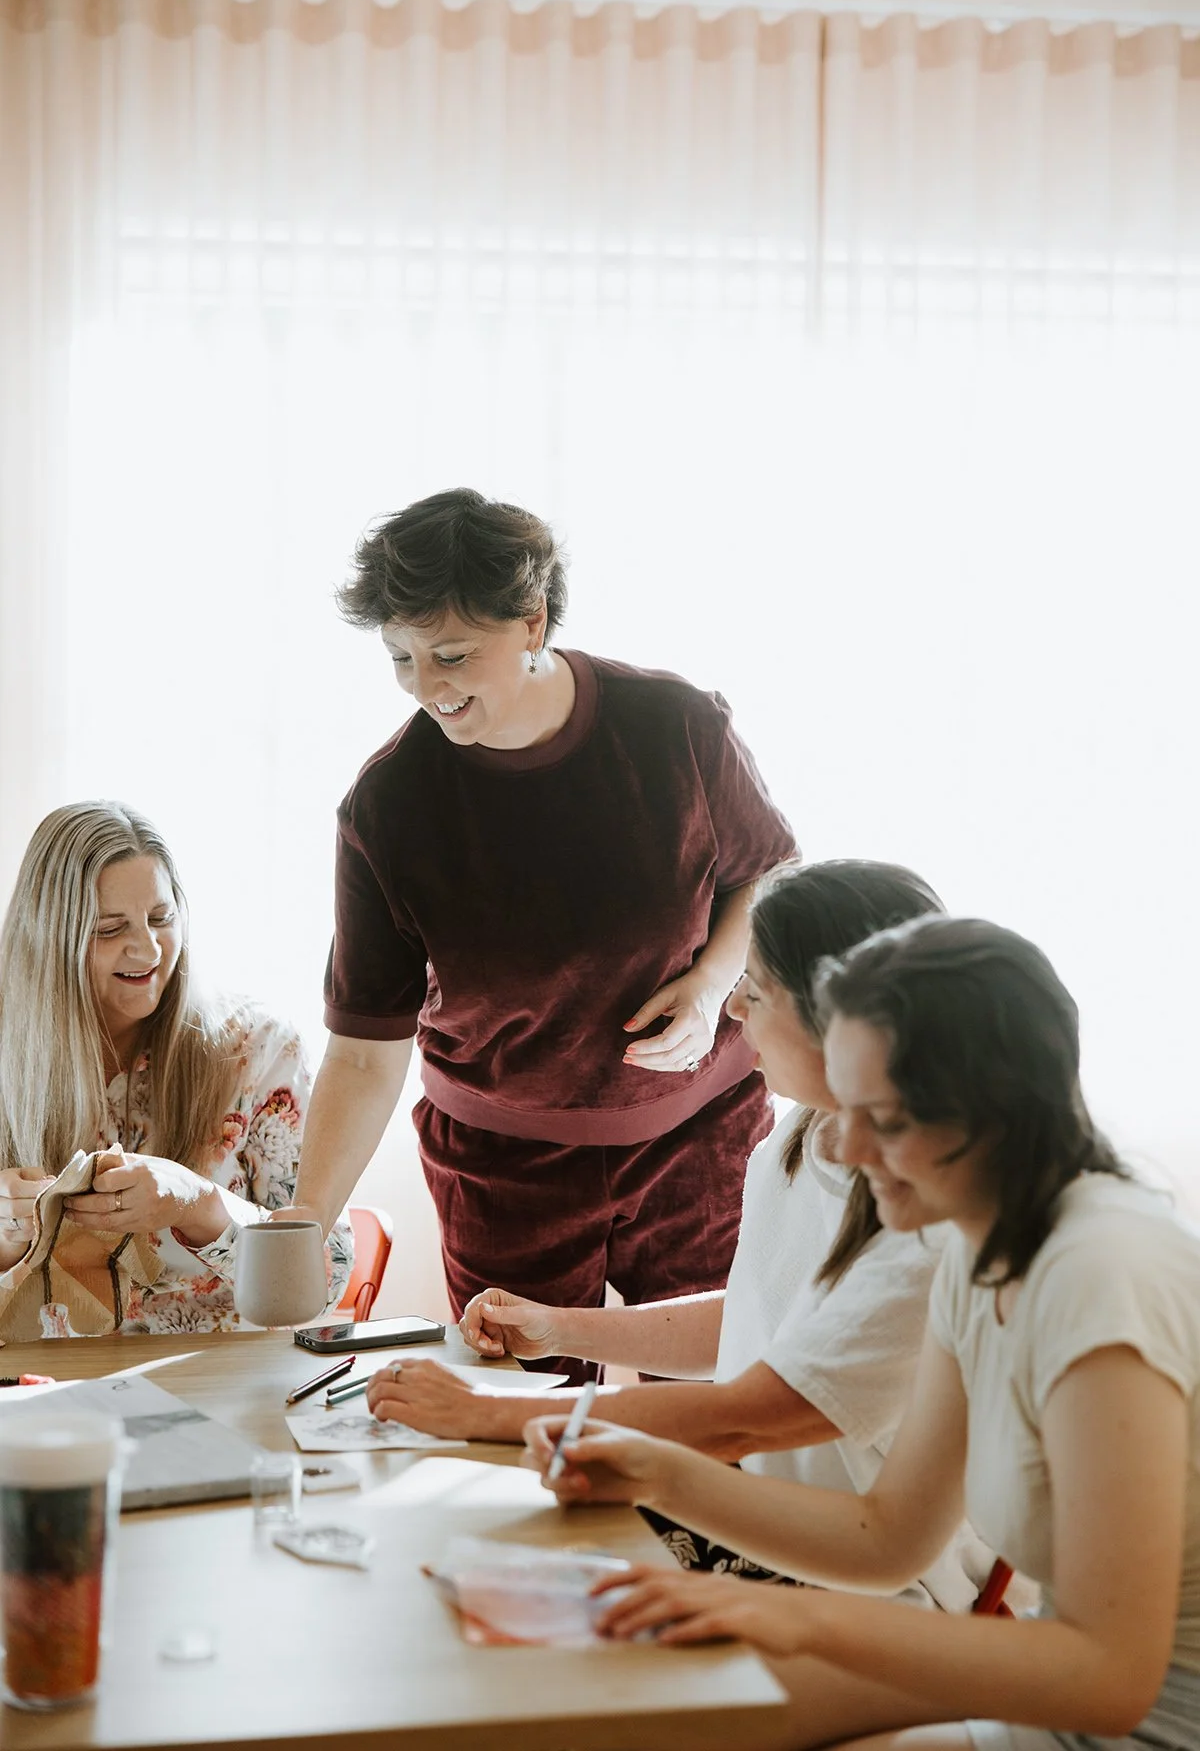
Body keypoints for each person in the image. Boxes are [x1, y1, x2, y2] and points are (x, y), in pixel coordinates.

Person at [524, 915, 1200, 1751]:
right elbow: (886, 1539)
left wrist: (785, 1617)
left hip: (1129, 1728)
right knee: (651, 1717)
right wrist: (656, 1472)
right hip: (1051, 1715)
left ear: (981, 1114)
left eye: (874, 1116)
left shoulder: (1100, 1276)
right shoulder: (977, 1250)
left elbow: (1107, 1680)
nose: (842, 1144)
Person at [364, 858, 982, 1603]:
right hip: (764, 1516)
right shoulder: (803, 1136)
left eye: (752, 989)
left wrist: (486, 1410)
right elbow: (759, 1321)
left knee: (494, 1574)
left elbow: (749, 1416)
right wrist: (562, 1329)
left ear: (838, 1015)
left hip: (861, 1573)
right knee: (458, 1550)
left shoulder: (923, 1213)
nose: (735, 1013)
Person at [289, 488, 795, 1368]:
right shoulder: (389, 806)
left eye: (450, 655)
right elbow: (366, 1050)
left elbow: (771, 876)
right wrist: (304, 1225)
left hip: (699, 1141)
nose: (427, 688)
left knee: (723, 1396)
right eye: (401, 658)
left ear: (531, 621)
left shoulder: (675, 726)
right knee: (516, 1427)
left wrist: (714, 984)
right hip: (502, 1169)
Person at [0, 802, 353, 1336]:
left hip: (220, 1389)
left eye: (162, 919)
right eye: (109, 928)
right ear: (48, 941)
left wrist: (199, 1206)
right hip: (45, 1399)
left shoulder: (258, 1051)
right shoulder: (10, 1055)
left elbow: (327, 1276)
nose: (146, 948)